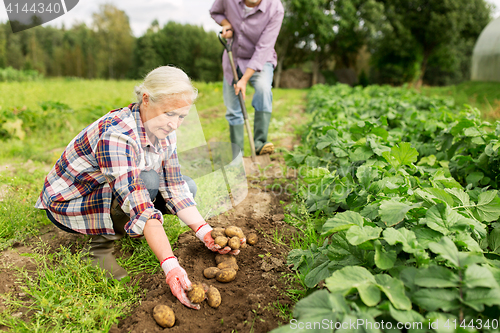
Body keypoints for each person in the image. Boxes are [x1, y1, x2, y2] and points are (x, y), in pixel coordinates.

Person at [35, 66, 244, 310]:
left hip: (114, 191)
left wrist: (204, 232)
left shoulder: (165, 129)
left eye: (182, 117)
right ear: (146, 99)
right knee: (148, 182)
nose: (175, 124)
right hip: (71, 203)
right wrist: (171, 265)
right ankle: (109, 235)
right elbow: (140, 202)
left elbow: (175, 187)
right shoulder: (117, 134)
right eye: (169, 113)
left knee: (187, 186)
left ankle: (132, 226)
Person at [210, 0, 284, 158]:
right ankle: (238, 153)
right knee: (233, 108)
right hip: (234, 57)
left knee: (264, 89)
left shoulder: (275, 8)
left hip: (261, 59)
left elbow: (264, 48)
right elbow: (215, 11)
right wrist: (226, 24)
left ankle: (259, 143)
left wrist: (244, 79)